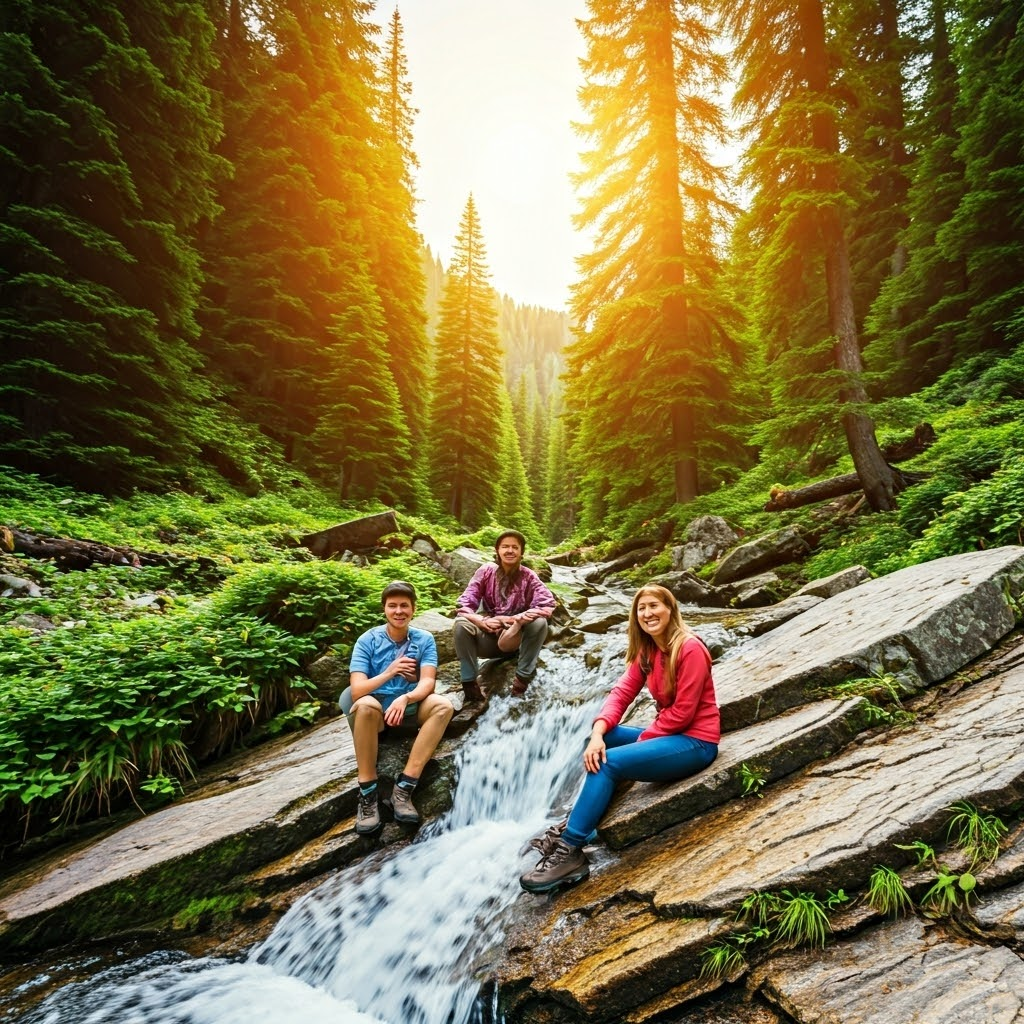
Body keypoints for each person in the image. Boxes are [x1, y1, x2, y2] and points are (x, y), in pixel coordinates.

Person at [519, 583, 720, 893]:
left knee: (609, 763)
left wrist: (641, 745)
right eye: (642, 608)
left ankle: (570, 850)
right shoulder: (648, 651)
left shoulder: (690, 648)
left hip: (696, 742)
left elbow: (683, 713)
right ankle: (576, 822)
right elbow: (622, 693)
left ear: (671, 610)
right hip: (670, 735)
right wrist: (598, 732)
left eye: (655, 606)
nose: (648, 613)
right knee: (602, 741)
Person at [342, 580, 454, 835]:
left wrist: (406, 698)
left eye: (404, 605)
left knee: (443, 706)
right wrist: (390, 671)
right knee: (366, 705)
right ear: (384, 609)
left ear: (413, 609)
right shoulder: (367, 640)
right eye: (392, 606)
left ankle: (404, 788)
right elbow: (357, 690)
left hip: (409, 709)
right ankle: (368, 793)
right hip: (376, 715)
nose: (398, 611)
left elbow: (428, 681)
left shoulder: (424, 639)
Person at [453, 529, 557, 702]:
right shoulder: (485, 571)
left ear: (521, 552)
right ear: (497, 551)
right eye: (505, 547)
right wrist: (481, 620)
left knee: (539, 622)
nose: (510, 551)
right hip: (489, 639)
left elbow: (547, 603)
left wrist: (516, 619)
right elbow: (463, 604)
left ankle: (522, 678)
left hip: (517, 639)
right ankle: (470, 683)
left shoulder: (529, 576)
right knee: (461, 624)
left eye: (515, 547)